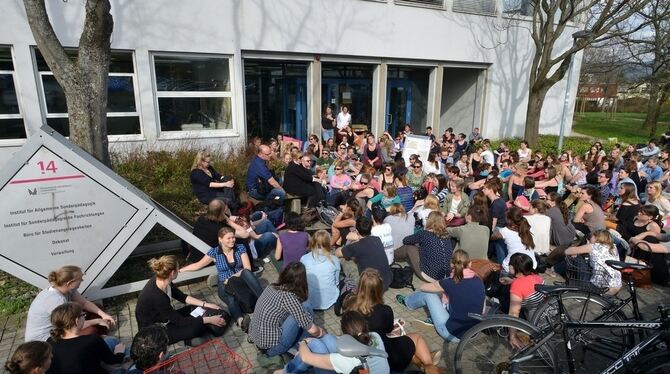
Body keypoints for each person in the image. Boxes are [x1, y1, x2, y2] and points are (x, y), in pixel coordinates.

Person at [345, 269, 441, 373]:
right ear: (379, 289)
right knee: (417, 338)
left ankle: (419, 362)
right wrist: (395, 327)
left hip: (361, 354)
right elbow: (388, 330)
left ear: (360, 286)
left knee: (405, 345)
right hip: (388, 356)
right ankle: (429, 366)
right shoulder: (385, 310)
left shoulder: (350, 307)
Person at [179, 227, 262, 329]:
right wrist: (180, 270)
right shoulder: (214, 252)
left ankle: (264, 299)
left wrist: (231, 278)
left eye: (233, 237)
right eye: (228, 238)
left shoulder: (240, 248)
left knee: (246, 272)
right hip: (224, 283)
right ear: (220, 239)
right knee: (231, 298)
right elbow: (198, 265)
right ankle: (241, 321)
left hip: (239, 279)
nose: (232, 240)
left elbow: (247, 268)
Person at [135, 255, 228, 345]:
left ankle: (185, 335)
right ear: (172, 273)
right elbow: (179, 321)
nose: (179, 271)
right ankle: (184, 341)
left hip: (165, 318)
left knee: (195, 308)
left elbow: (182, 297)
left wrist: (206, 304)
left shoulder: (163, 280)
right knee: (197, 328)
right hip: (156, 331)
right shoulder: (157, 296)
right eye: (178, 269)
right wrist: (209, 319)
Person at [397, 249, 485, 342]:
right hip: (473, 333)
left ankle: (407, 302)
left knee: (428, 294)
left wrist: (440, 285)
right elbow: (482, 310)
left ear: (451, 264)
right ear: (470, 264)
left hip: (452, 334)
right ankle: (433, 318)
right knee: (454, 298)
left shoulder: (449, 282)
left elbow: (423, 287)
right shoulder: (478, 280)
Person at [249, 262, 327, 357]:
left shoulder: (271, 286)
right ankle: (306, 344)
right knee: (304, 310)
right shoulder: (288, 297)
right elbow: (313, 330)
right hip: (272, 348)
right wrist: (322, 333)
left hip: (257, 337)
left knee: (300, 311)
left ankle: (301, 340)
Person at [275, 310, 389, 374]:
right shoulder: (374, 336)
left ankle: (286, 372)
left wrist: (303, 342)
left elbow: (306, 357)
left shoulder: (350, 360)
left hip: (353, 367)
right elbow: (339, 339)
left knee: (316, 345)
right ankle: (287, 371)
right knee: (329, 338)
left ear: (345, 332)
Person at [25, 266, 116, 342]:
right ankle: (98, 340)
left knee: (97, 309)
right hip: (45, 339)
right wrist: (98, 321)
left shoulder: (68, 289)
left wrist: (103, 315)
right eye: (80, 279)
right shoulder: (56, 300)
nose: (82, 280)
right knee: (92, 330)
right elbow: (72, 327)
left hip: (63, 326)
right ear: (70, 283)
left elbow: (84, 303)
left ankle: (100, 336)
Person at [47, 302, 125, 374]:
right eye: (83, 315)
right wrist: (120, 353)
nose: (84, 317)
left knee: (110, 340)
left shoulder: (50, 341)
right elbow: (112, 360)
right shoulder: (92, 340)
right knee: (115, 343)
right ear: (77, 321)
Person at [336, 216, 393, 290]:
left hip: (371, 287)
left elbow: (338, 253)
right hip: (387, 281)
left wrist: (343, 246)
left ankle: (352, 286)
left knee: (343, 260)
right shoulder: (377, 239)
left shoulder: (356, 246)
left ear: (357, 230)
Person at [500, 253, 544, 346]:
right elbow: (527, 284)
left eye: (509, 265)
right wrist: (513, 281)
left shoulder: (517, 285)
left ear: (513, 267)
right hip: (547, 312)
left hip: (535, 321)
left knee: (503, 303)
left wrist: (512, 336)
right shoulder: (536, 276)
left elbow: (513, 313)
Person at [397, 211, 454, 282]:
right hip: (446, 275)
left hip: (430, 275)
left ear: (429, 220)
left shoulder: (424, 234)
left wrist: (416, 241)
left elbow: (405, 240)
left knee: (409, 247)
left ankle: (391, 257)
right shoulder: (446, 235)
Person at [564, 230, 622, 294]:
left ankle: (555, 269)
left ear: (596, 237)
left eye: (592, 236)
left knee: (578, 258)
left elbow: (567, 251)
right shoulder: (613, 247)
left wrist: (579, 250)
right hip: (616, 286)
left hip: (598, 287)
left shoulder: (594, 246)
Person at [301, 230, 341, 311]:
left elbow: (303, 279)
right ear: (328, 243)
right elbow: (336, 282)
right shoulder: (334, 259)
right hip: (330, 299)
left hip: (310, 300)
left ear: (313, 242)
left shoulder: (304, 258)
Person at [490, 207, 538, 271]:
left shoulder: (505, 231)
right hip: (531, 265)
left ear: (509, 220)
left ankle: (489, 256)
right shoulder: (528, 228)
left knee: (498, 240)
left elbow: (491, 237)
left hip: (512, 268)